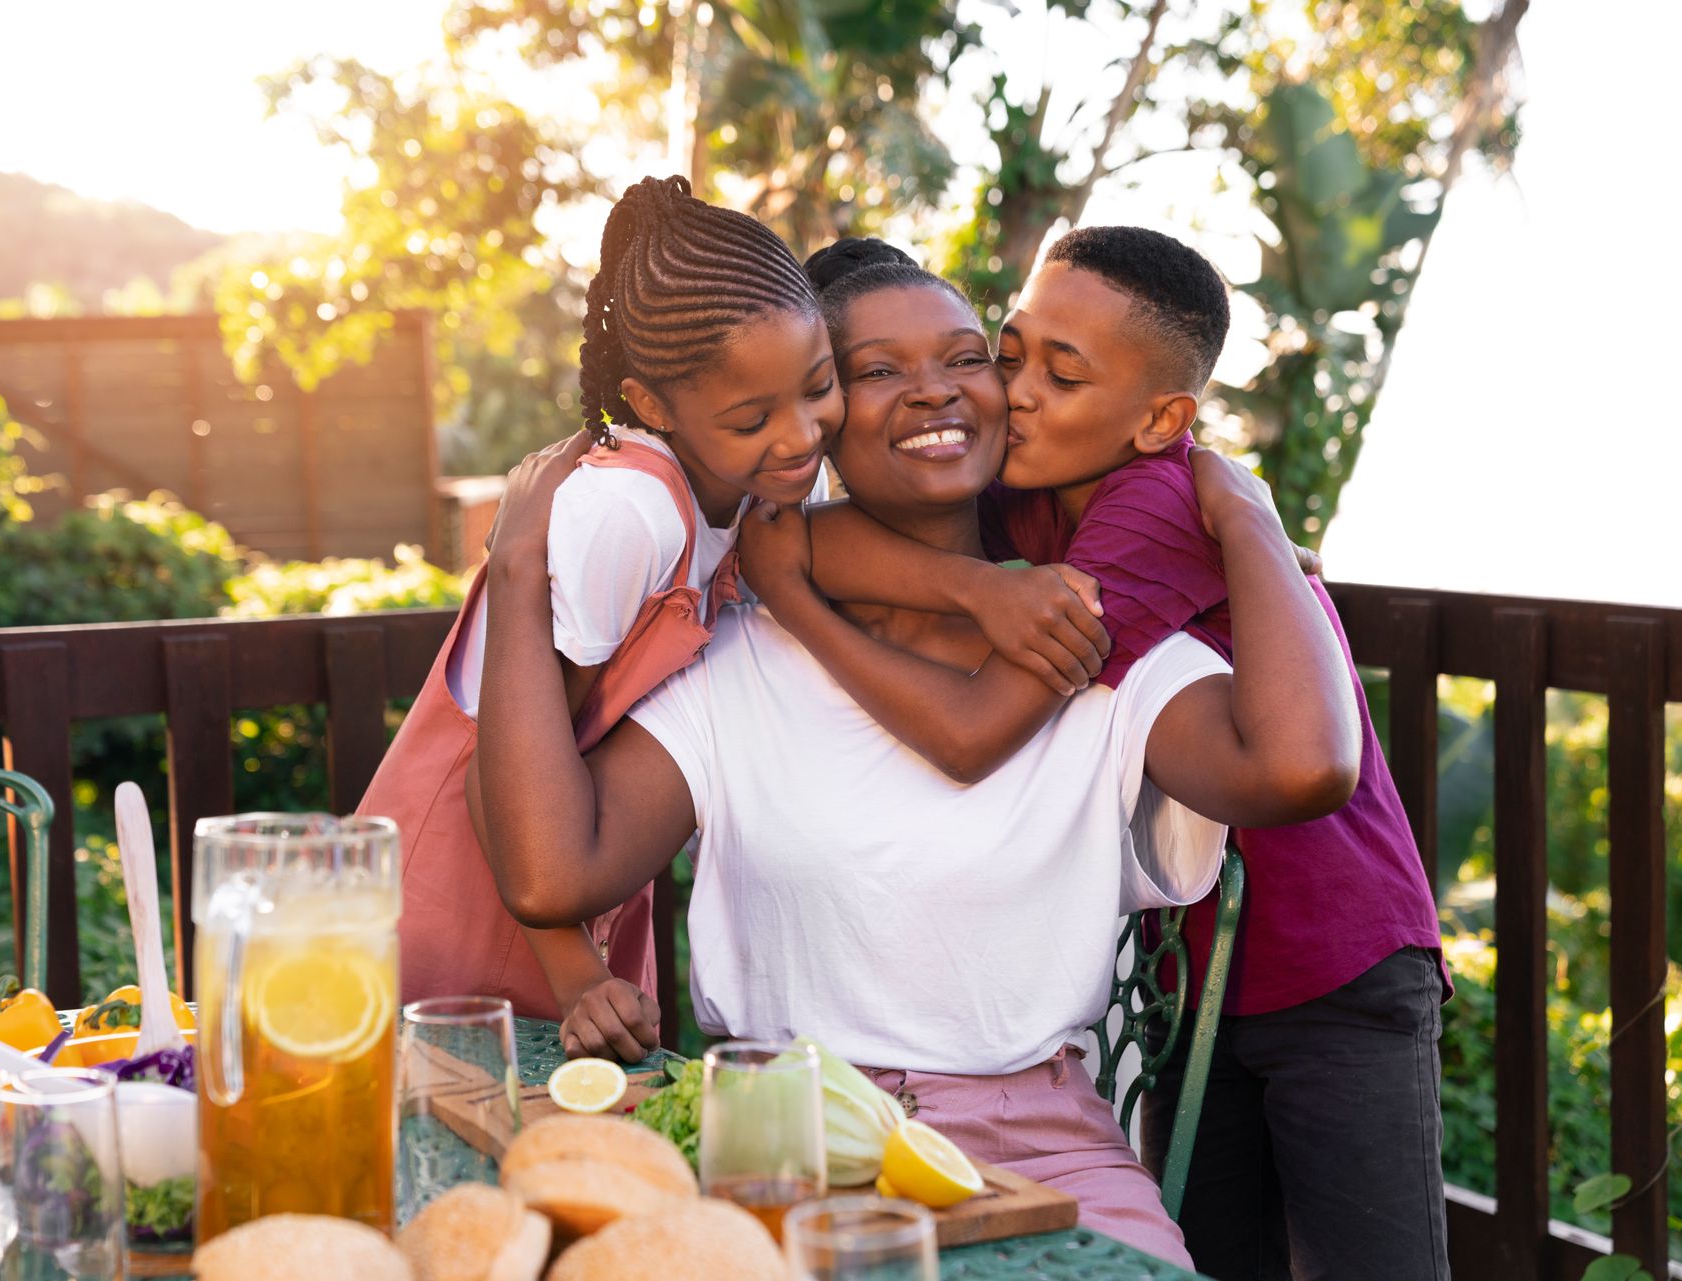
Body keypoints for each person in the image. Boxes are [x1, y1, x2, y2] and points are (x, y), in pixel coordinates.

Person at [469, 251, 1361, 1268]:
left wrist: (1241, 507)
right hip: (778, 1148)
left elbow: (1300, 769)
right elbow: (552, 869)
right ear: (820, 414)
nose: (934, 388)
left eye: (966, 357)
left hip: (1044, 1153)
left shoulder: (1093, 639)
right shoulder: (738, 662)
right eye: (879, 371)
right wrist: (517, 570)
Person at [799, 230, 1450, 1281]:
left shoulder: (1150, 505)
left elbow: (977, 726)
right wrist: (978, 587)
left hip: (1336, 959)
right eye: (1010, 355)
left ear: (1160, 421)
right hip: (1200, 966)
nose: (1017, 393)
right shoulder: (1036, 481)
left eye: (1064, 374)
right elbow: (818, 536)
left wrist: (1244, 515)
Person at [357, 173, 848, 1061]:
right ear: (654, 405)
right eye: (753, 417)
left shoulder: (743, 485)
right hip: (474, 883)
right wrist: (578, 976)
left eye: (818, 387)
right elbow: (505, 766)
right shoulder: (629, 515)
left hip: (574, 872)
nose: (802, 435)